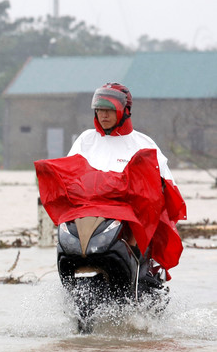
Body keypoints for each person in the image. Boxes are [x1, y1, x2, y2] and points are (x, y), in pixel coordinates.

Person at [56, 82, 186, 276]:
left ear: (125, 111)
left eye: (109, 110)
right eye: (100, 110)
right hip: (89, 212)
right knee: (64, 237)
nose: (104, 115)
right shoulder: (86, 140)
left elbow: (165, 184)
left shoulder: (143, 143)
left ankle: (139, 269)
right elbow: (68, 173)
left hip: (126, 216)